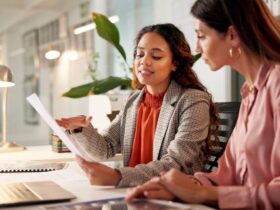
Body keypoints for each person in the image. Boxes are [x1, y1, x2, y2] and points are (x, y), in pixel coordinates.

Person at [125, 0, 280, 209]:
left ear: (232, 35)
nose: (197, 47)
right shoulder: (251, 93)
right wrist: (178, 189)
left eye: (201, 36)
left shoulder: (276, 84)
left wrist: (201, 193)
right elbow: (225, 176)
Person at [56, 23, 218, 187]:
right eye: (139, 54)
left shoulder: (193, 100)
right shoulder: (133, 101)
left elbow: (175, 164)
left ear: (174, 63)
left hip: (173, 197)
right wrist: (80, 129)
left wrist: (117, 176)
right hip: (134, 195)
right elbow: (105, 148)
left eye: (156, 56)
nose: (144, 61)